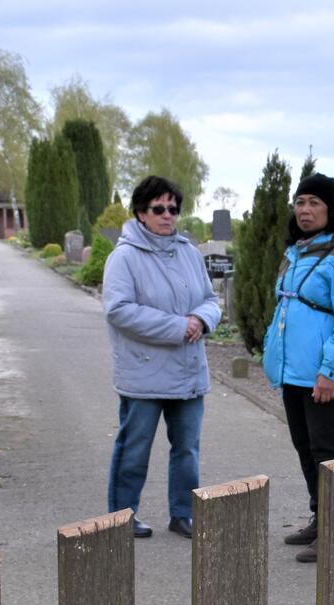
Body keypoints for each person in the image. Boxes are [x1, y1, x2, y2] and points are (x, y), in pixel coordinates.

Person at [260, 172, 334, 564]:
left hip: (323, 375)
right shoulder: (297, 251)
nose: (305, 210)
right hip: (294, 373)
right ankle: (320, 518)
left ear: (330, 210)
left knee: (328, 451)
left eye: (314, 204)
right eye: (300, 202)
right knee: (305, 448)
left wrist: (329, 371)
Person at [101, 176, 220, 539]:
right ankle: (122, 516)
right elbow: (119, 310)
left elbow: (210, 299)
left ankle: (183, 514)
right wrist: (177, 327)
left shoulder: (188, 252)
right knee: (134, 449)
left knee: (187, 449)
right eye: (159, 209)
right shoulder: (124, 257)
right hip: (144, 373)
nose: (167, 215)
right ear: (141, 213)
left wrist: (200, 319)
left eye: (173, 208)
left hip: (188, 372)